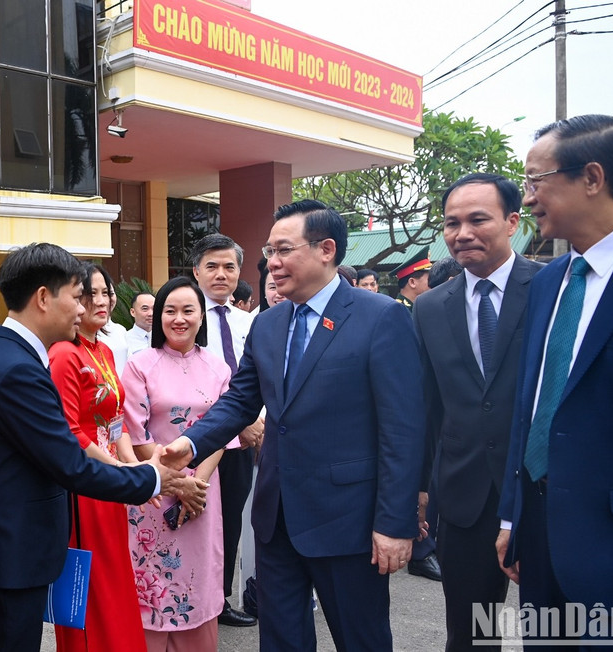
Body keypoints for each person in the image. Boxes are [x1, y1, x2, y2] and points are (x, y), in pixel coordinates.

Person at [163, 199, 426, 651]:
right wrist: (188, 445)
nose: (272, 262)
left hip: (348, 521)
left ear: (326, 249)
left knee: (360, 639)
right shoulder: (268, 324)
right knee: (282, 640)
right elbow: (240, 402)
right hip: (277, 518)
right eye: (269, 250)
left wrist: (395, 522)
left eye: (283, 249)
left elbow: (402, 430)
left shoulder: (380, 317)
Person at [0, 243, 184, 652]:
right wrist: (150, 479)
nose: (84, 308)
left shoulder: (12, 355)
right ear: (44, 298)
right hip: (13, 552)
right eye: (77, 296)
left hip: (16, 546)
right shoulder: (16, 369)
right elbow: (71, 462)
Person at [497, 115, 613, 647]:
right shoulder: (550, 279)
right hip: (540, 533)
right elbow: (531, 406)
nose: (527, 197)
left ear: (593, 178)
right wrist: (513, 517)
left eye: (536, 180)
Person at [413, 173, 542, 650]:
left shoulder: (550, 287)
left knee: (556, 630)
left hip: (541, 490)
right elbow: (427, 405)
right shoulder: (429, 308)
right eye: (451, 223)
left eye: (477, 219)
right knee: (469, 634)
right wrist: (419, 489)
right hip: (465, 495)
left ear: (512, 222)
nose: (462, 232)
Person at [123, 276, 229, 651]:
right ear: (158, 316)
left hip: (202, 491)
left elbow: (222, 430)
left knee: (198, 579)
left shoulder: (219, 369)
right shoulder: (139, 365)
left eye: (188, 310)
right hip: (153, 493)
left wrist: (195, 485)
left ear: (202, 316)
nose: (178, 318)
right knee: (151, 585)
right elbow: (136, 437)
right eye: (170, 310)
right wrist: (176, 484)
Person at [48, 263, 146, 651]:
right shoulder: (63, 354)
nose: (101, 301)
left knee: (116, 578)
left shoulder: (104, 349)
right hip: (85, 484)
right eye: (90, 294)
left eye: (106, 292)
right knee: (90, 589)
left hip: (109, 479)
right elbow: (69, 431)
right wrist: (121, 472)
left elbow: (115, 421)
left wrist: (134, 469)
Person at [190, 233, 260, 628]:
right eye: (212, 266)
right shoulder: (185, 315)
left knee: (231, 519)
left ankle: (220, 599)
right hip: (200, 439)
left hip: (243, 442)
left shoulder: (249, 321)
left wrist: (257, 420)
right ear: (196, 271)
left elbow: (260, 377)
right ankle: (191, 592)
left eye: (229, 266)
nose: (221, 274)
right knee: (196, 517)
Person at [97, 276, 129, 375]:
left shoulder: (121, 330)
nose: (105, 300)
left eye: (109, 293)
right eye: (94, 293)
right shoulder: (80, 333)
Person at [391, 246, 432, 311]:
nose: (433, 282)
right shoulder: (397, 311)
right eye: (429, 278)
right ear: (412, 282)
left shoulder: (420, 308)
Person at [126, 291, 155, 356]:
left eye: (154, 308)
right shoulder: (125, 340)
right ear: (133, 312)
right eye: (145, 309)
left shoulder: (164, 338)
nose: (151, 313)